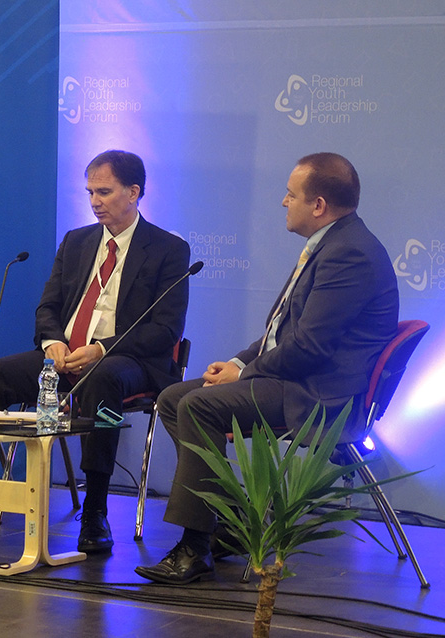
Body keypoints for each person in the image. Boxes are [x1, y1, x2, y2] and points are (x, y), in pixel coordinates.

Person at [136, 152, 398, 585]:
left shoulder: (348, 254)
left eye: (291, 195)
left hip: (317, 394)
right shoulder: (333, 243)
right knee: (173, 398)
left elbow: (309, 348)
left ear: (318, 205)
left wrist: (244, 376)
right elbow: (283, 332)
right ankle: (230, 522)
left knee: (198, 406)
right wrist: (240, 362)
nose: (283, 202)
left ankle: (195, 547)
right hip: (297, 377)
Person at [0, 150, 190, 547]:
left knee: (102, 381)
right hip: (63, 356)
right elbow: (47, 307)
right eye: (90, 192)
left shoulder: (167, 249)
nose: (94, 202)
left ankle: (96, 510)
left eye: (104, 192)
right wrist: (53, 341)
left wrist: (101, 349)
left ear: (134, 192)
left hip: (128, 361)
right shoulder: (76, 241)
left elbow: (165, 329)